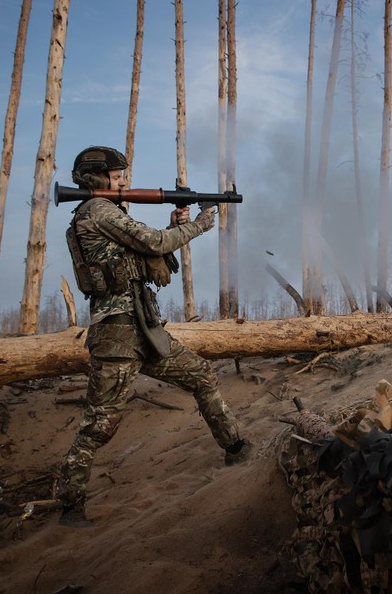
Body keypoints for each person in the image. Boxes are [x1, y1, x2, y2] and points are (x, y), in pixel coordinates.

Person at [58, 145, 250, 527]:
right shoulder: (98, 211)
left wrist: (177, 225)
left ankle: (237, 449)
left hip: (142, 330)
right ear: (96, 178)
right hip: (117, 335)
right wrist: (197, 225)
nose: (123, 181)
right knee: (99, 426)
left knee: (201, 375)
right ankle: (69, 507)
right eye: (116, 176)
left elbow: (145, 249)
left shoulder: (105, 212)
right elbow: (154, 244)